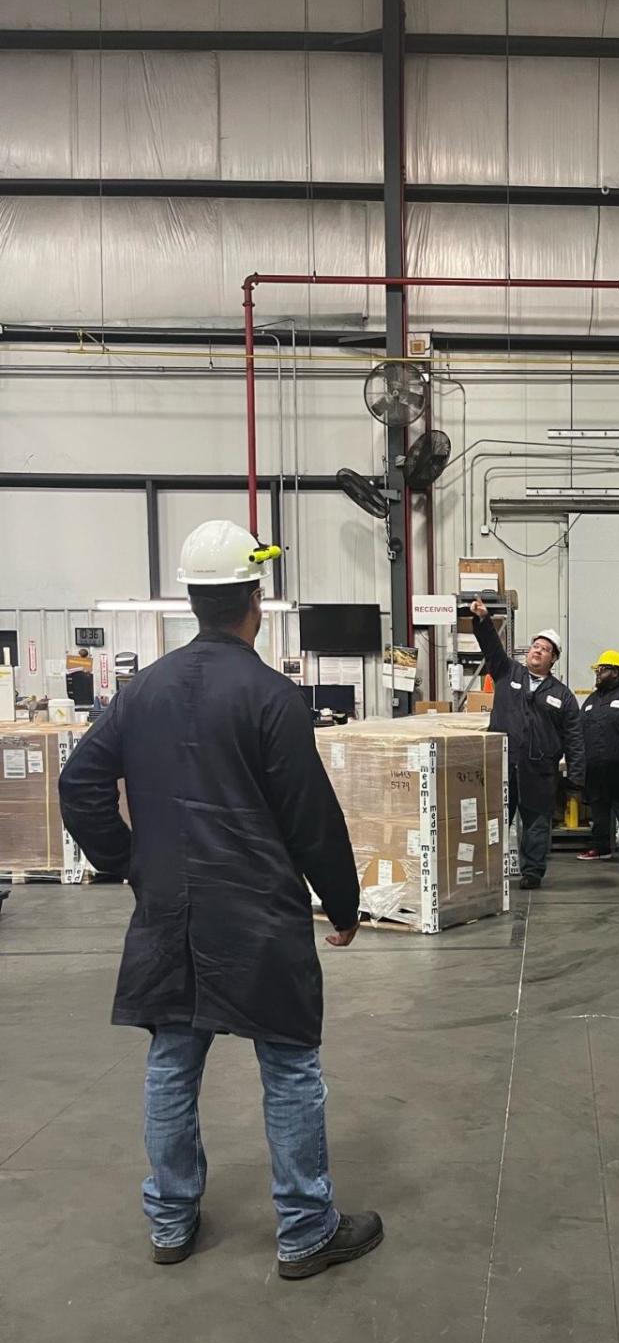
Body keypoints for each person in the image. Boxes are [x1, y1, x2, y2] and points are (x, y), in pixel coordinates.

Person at [57, 519, 382, 1279]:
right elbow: (310, 816)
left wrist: (129, 863)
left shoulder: (143, 690)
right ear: (253, 601)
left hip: (170, 910)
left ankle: (171, 1221)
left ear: (193, 599)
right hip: (259, 913)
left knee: (172, 1062)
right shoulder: (271, 696)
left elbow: (79, 784)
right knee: (290, 1066)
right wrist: (342, 904)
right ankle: (304, 1230)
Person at [470, 597, 584, 890]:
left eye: (545, 649)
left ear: (553, 659)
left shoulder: (563, 695)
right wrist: (483, 621)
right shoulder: (507, 672)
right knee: (496, 820)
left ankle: (532, 872)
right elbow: (491, 647)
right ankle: (488, 870)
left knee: (536, 823)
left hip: (539, 770)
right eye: (536, 645)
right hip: (504, 764)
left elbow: (574, 737)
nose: (538, 651)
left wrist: (576, 777)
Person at [577, 649, 619, 864]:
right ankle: (601, 847)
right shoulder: (591, 700)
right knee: (598, 807)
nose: (598, 674)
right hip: (595, 767)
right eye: (597, 670)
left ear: (616, 672)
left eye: (603, 670)